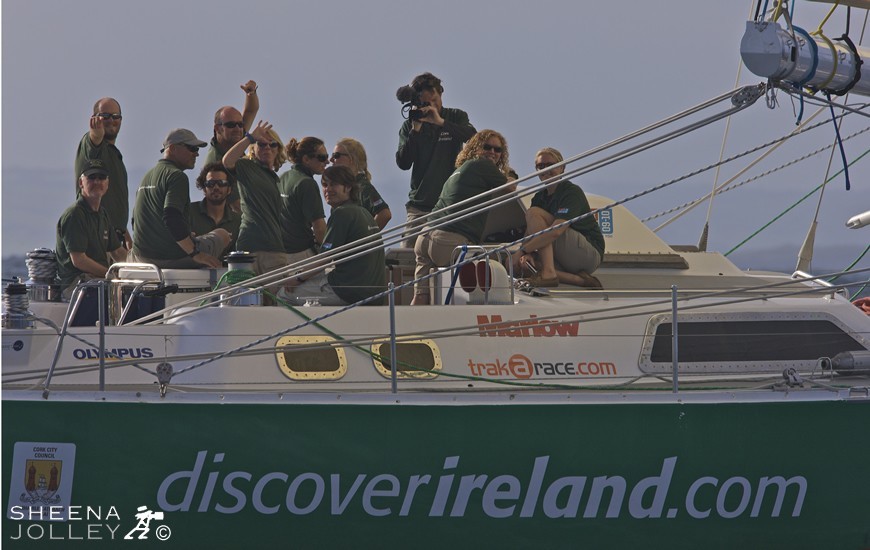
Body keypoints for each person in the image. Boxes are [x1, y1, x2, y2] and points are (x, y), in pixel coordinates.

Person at [412, 130, 516, 305]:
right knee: (486, 281)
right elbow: (511, 187)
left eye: (497, 150)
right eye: (487, 147)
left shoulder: (461, 169)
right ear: (476, 148)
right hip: (449, 240)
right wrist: (511, 175)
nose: (492, 152)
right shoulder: (483, 165)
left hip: (425, 237)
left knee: (421, 296)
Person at [281, 166, 386, 306]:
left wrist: (297, 278)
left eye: (334, 184)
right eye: (324, 185)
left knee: (284, 294)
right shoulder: (364, 212)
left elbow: (324, 259)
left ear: (348, 187)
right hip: (375, 294)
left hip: (349, 292)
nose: (328, 189)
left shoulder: (341, 213)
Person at [396, 72, 476, 248]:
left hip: (450, 205)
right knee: (408, 256)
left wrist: (441, 122)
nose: (431, 107)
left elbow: (473, 139)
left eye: (435, 101)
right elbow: (403, 163)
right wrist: (415, 131)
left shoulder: (455, 116)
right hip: (420, 205)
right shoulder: (410, 125)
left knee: (446, 254)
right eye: (426, 103)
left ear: (441, 94)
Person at [130, 129, 227, 268]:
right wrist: (195, 254)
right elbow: (171, 217)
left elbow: (135, 222)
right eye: (192, 148)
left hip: (141, 257)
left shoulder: (147, 177)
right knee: (222, 234)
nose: (197, 153)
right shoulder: (177, 176)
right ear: (173, 148)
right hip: (170, 259)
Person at [510, 147, 605, 288]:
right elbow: (531, 232)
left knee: (533, 213)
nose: (545, 169)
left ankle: (548, 274)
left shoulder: (571, 192)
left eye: (550, 165)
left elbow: (556, 231)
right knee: (521, 265)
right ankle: (581, 281)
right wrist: (524, 254)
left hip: (588, 254)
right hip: (565, 254)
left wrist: (524, 250)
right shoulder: (539, 197)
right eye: (540, 166)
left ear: (562, 168)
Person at [222, 121, 288, 302]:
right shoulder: (247, 167)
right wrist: (249, 137)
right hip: (250, 248)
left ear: (278, 149)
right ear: (254, 148)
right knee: (243, 303)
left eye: (272, 144)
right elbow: (227, 161)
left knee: (272, 304)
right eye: (261, 144)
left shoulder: (275, 178)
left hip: (273, 249)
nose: (267, 148)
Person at [57, 160, 128, 299]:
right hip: (78, 285)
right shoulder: (74, 215)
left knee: (141, 291)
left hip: (99, 281)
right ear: (81, 183)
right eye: (91, 177)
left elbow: (118, 252)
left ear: (107, 184)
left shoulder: (102, 214)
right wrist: (111, 275)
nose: (97, 182)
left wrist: (141, 269)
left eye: (101, 177)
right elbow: (79, 260)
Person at [74, 97, 131, 249]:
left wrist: (124, 232)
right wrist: (95, 135)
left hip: (114, 239)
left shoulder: (113, 154)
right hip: (97, 239)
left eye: (116, 116)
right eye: (105, 116)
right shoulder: (91, 143)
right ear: (94, 119)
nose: (111, 120)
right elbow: (94, 144)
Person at [203, 80, 260, 212]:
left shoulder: (234, 139)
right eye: (230, 125)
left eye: (240, 124)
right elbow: (236, 205)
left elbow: (251, 110)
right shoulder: (216, 162)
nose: (238, 129)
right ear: (218, 128)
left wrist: (251, 94)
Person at [279, 137, 328, 262]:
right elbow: (319, 229)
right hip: (302, 254)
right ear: (306, 159)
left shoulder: (283, 178)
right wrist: (330, 252)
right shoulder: (307, 183)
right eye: (322, 158)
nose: (327, 162)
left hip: (281, 253)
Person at [331, 138, 391, 230]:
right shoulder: (348, 188)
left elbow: (384, 214)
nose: (331, 159)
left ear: (351, 159)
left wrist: (366, 237)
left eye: (336, 155)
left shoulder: (361, 187)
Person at [189, 162, 242, 258]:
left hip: (223, 271)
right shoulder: (188, 212)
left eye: (221, 183)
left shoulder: (238, 221)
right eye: (210, 184)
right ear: (204, 189)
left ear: (229, 190)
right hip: (189, 270)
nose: (216, 187)